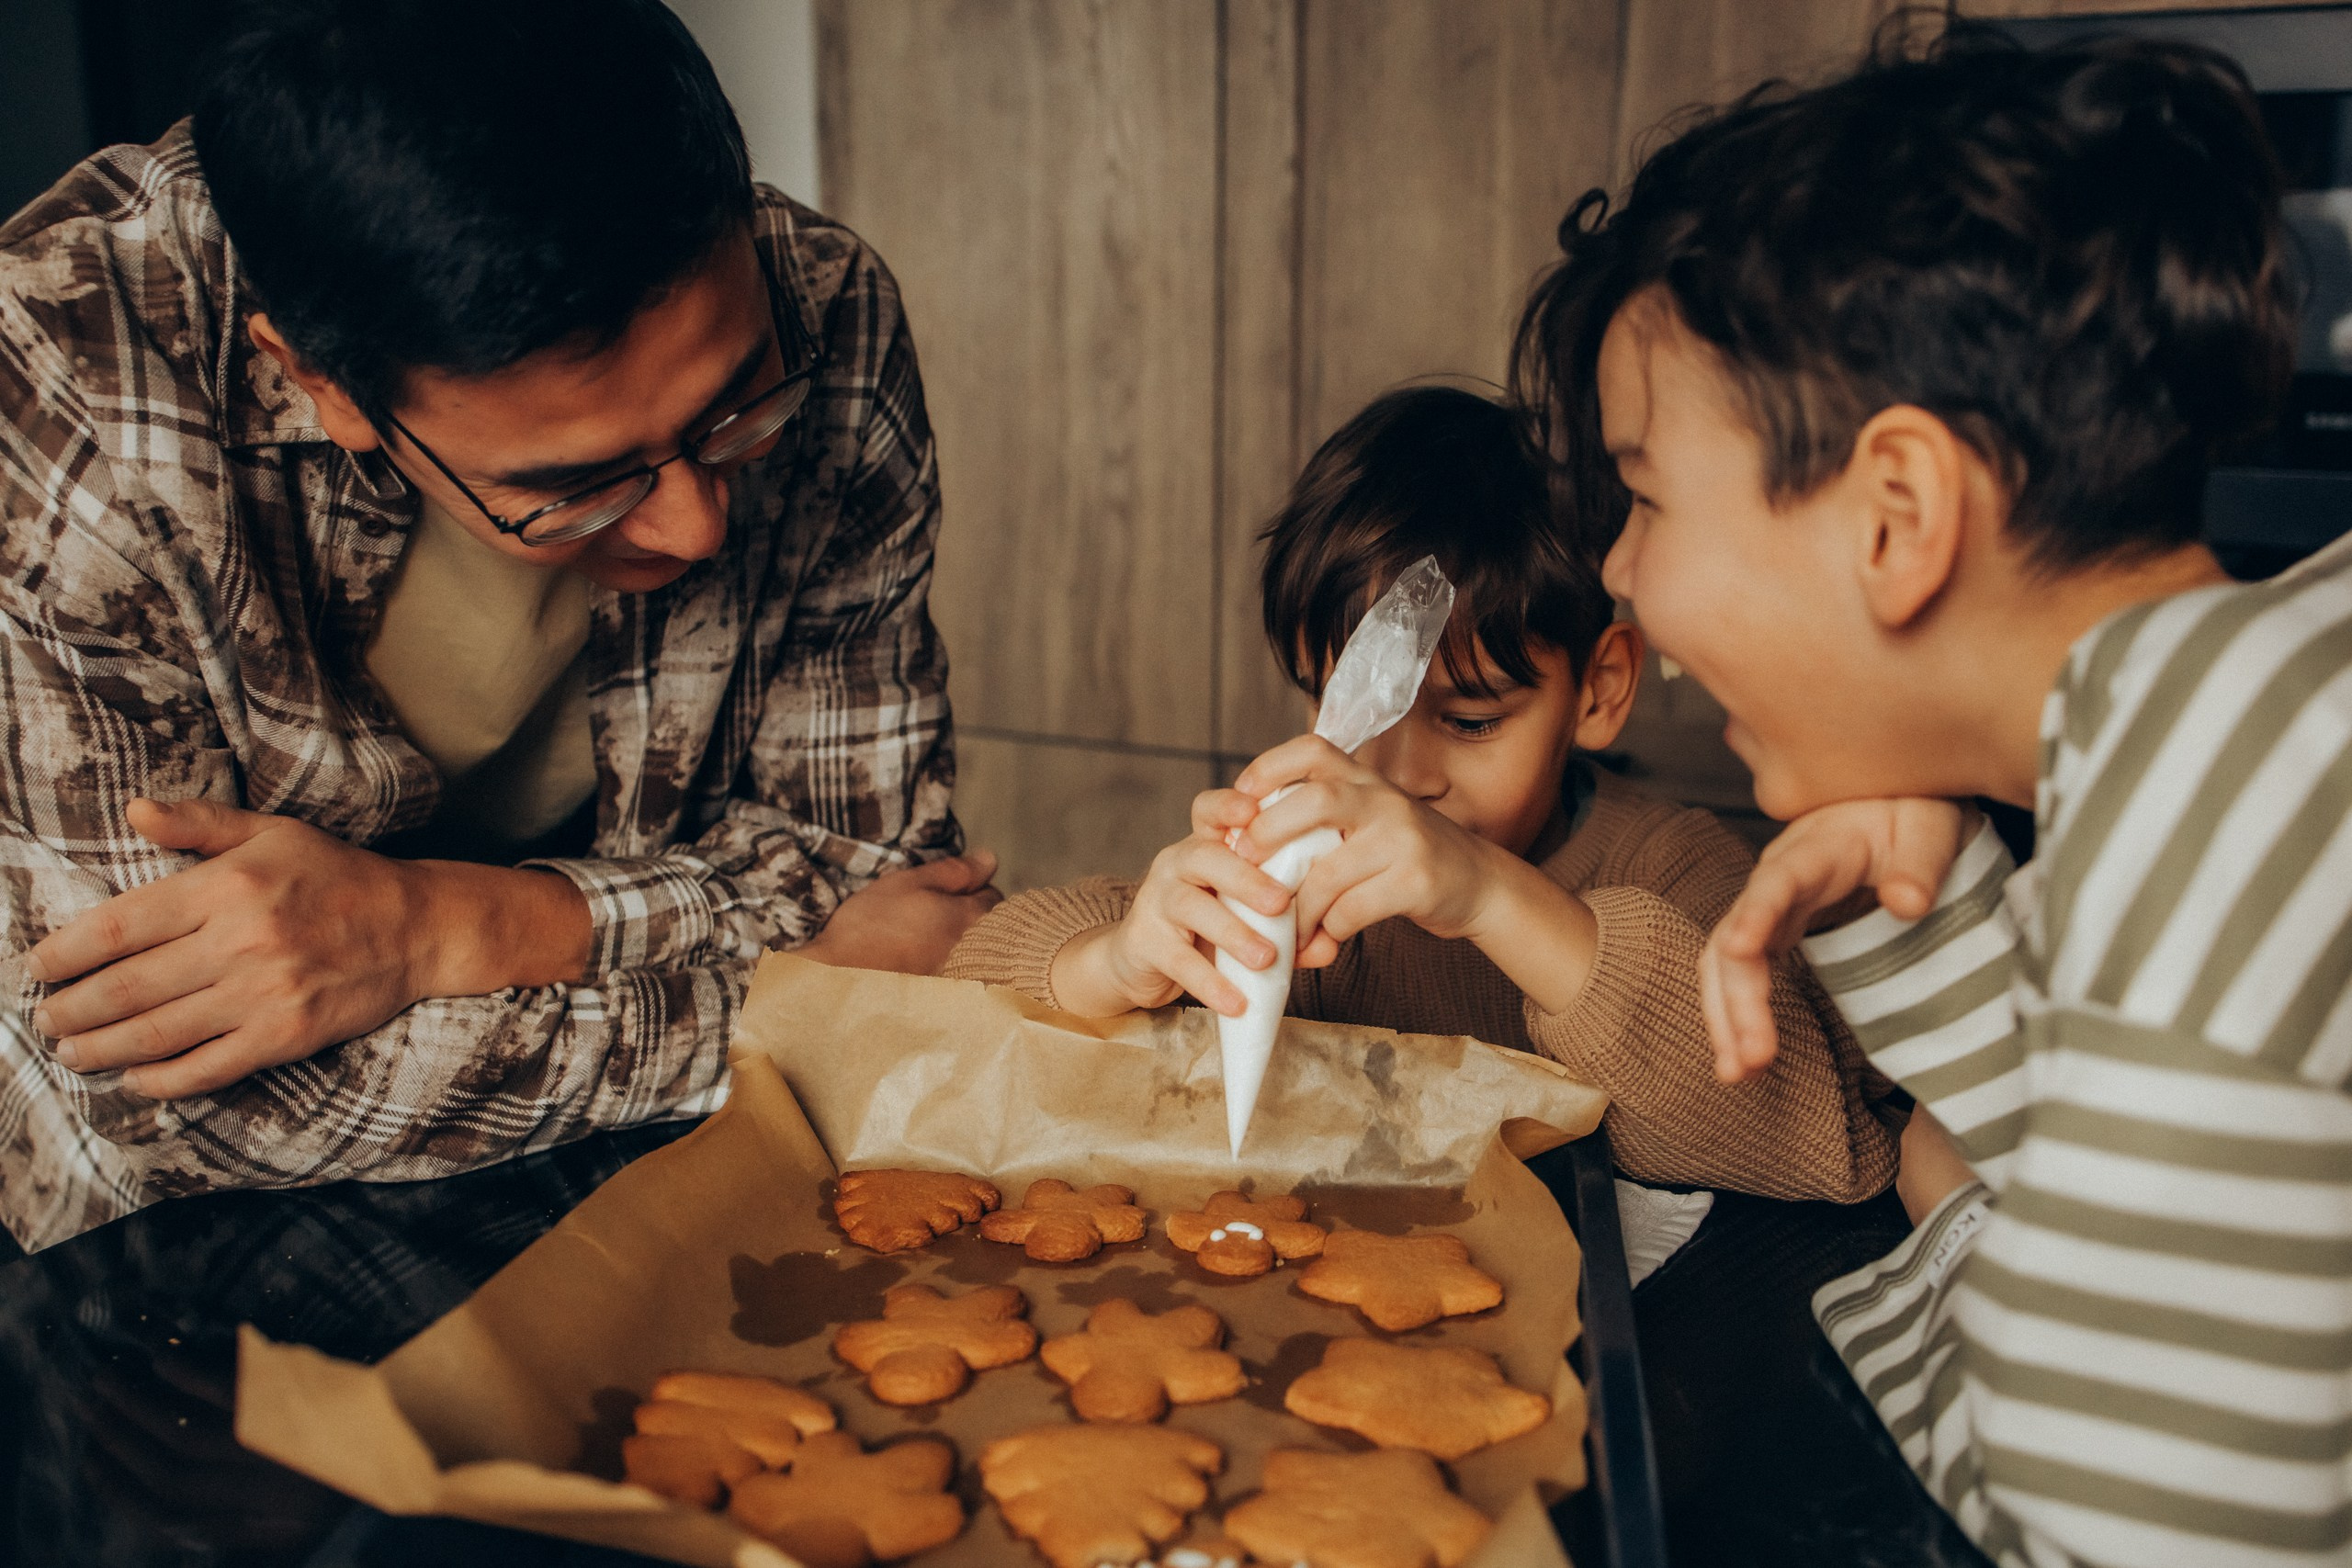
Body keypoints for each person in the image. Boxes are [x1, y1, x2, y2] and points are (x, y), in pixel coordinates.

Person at [1518, 21, 2338, 1567]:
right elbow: (2152, 1211)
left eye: (1643, 495)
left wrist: (1958, 1222)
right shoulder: (2220, 712)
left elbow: (2105, 1511)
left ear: (1896, 514)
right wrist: (1943, 907)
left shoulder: (2221, 776)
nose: (1618, 572)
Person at [0, 0, 999, 1253]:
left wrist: (454, 924)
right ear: (316, 377)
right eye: (579, 483)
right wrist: (795, 1009)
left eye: (736, 407)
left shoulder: (822, 302)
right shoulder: (58, 394)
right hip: (197, 1261)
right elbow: (180, 1101)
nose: (696, 525)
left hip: (704, 1167)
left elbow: (880, 882)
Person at [946, 385, 1899, 1204]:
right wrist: (1120, 960)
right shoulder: (1312, 878)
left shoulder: (1680, 867)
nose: (1400, 779)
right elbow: (970, 992)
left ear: (1600, 688)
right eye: (1362, 718)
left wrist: (1486, 894)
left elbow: (1814, 1144)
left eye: (1471, 721)